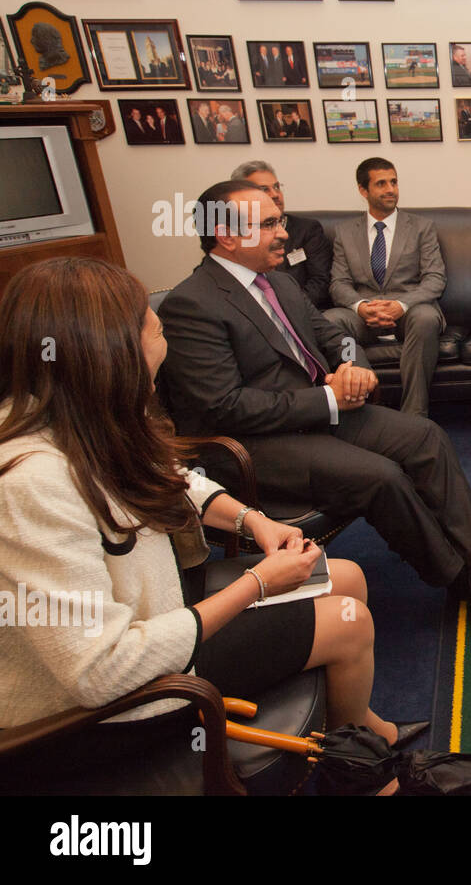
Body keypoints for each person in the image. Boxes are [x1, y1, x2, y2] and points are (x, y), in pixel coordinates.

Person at [0, 257, 424, 775]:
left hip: (157, 606)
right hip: (116, 704)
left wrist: (253, 521)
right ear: (111, 351)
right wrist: (257, 583)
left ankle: (360, 732)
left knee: (349, 577)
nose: (166, 347)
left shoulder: (88, 416)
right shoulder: (31, 483)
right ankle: (355, 771)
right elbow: (100, 671)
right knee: (348, 623)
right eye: (156, 331)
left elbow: (175, 478)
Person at [158, 180, 471, 603]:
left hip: (315, 416)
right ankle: (458, 579)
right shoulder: (192, 305)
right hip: (258, 443)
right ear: (226, 236)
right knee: (381, 476)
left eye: (280, 221)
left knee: (424, 436)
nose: (283, 232)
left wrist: (353, 368)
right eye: (269, 224)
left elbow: (331, 336)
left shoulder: (276, 283)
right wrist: (330, 399)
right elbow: (225, 407)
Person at [324, 158, 445, 420]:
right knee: (328, 321)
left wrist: (400, 305)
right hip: (363, 316)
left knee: (426, 318)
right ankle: (366, 403)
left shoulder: (421, 227)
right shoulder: (345, 233)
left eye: (394, 182)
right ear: (363, 190)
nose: (391, 189)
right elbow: (339, 283)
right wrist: (362, 307)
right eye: (381, 183)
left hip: (408, 312)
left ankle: (415, 416)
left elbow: (435, 278)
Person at [232, 160, 333, 311]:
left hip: (302, 309)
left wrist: (288, 310)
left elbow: (320, 281)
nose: (275, 194)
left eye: (276, 187)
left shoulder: (307, 229)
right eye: (264, 189)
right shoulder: (237, 233)